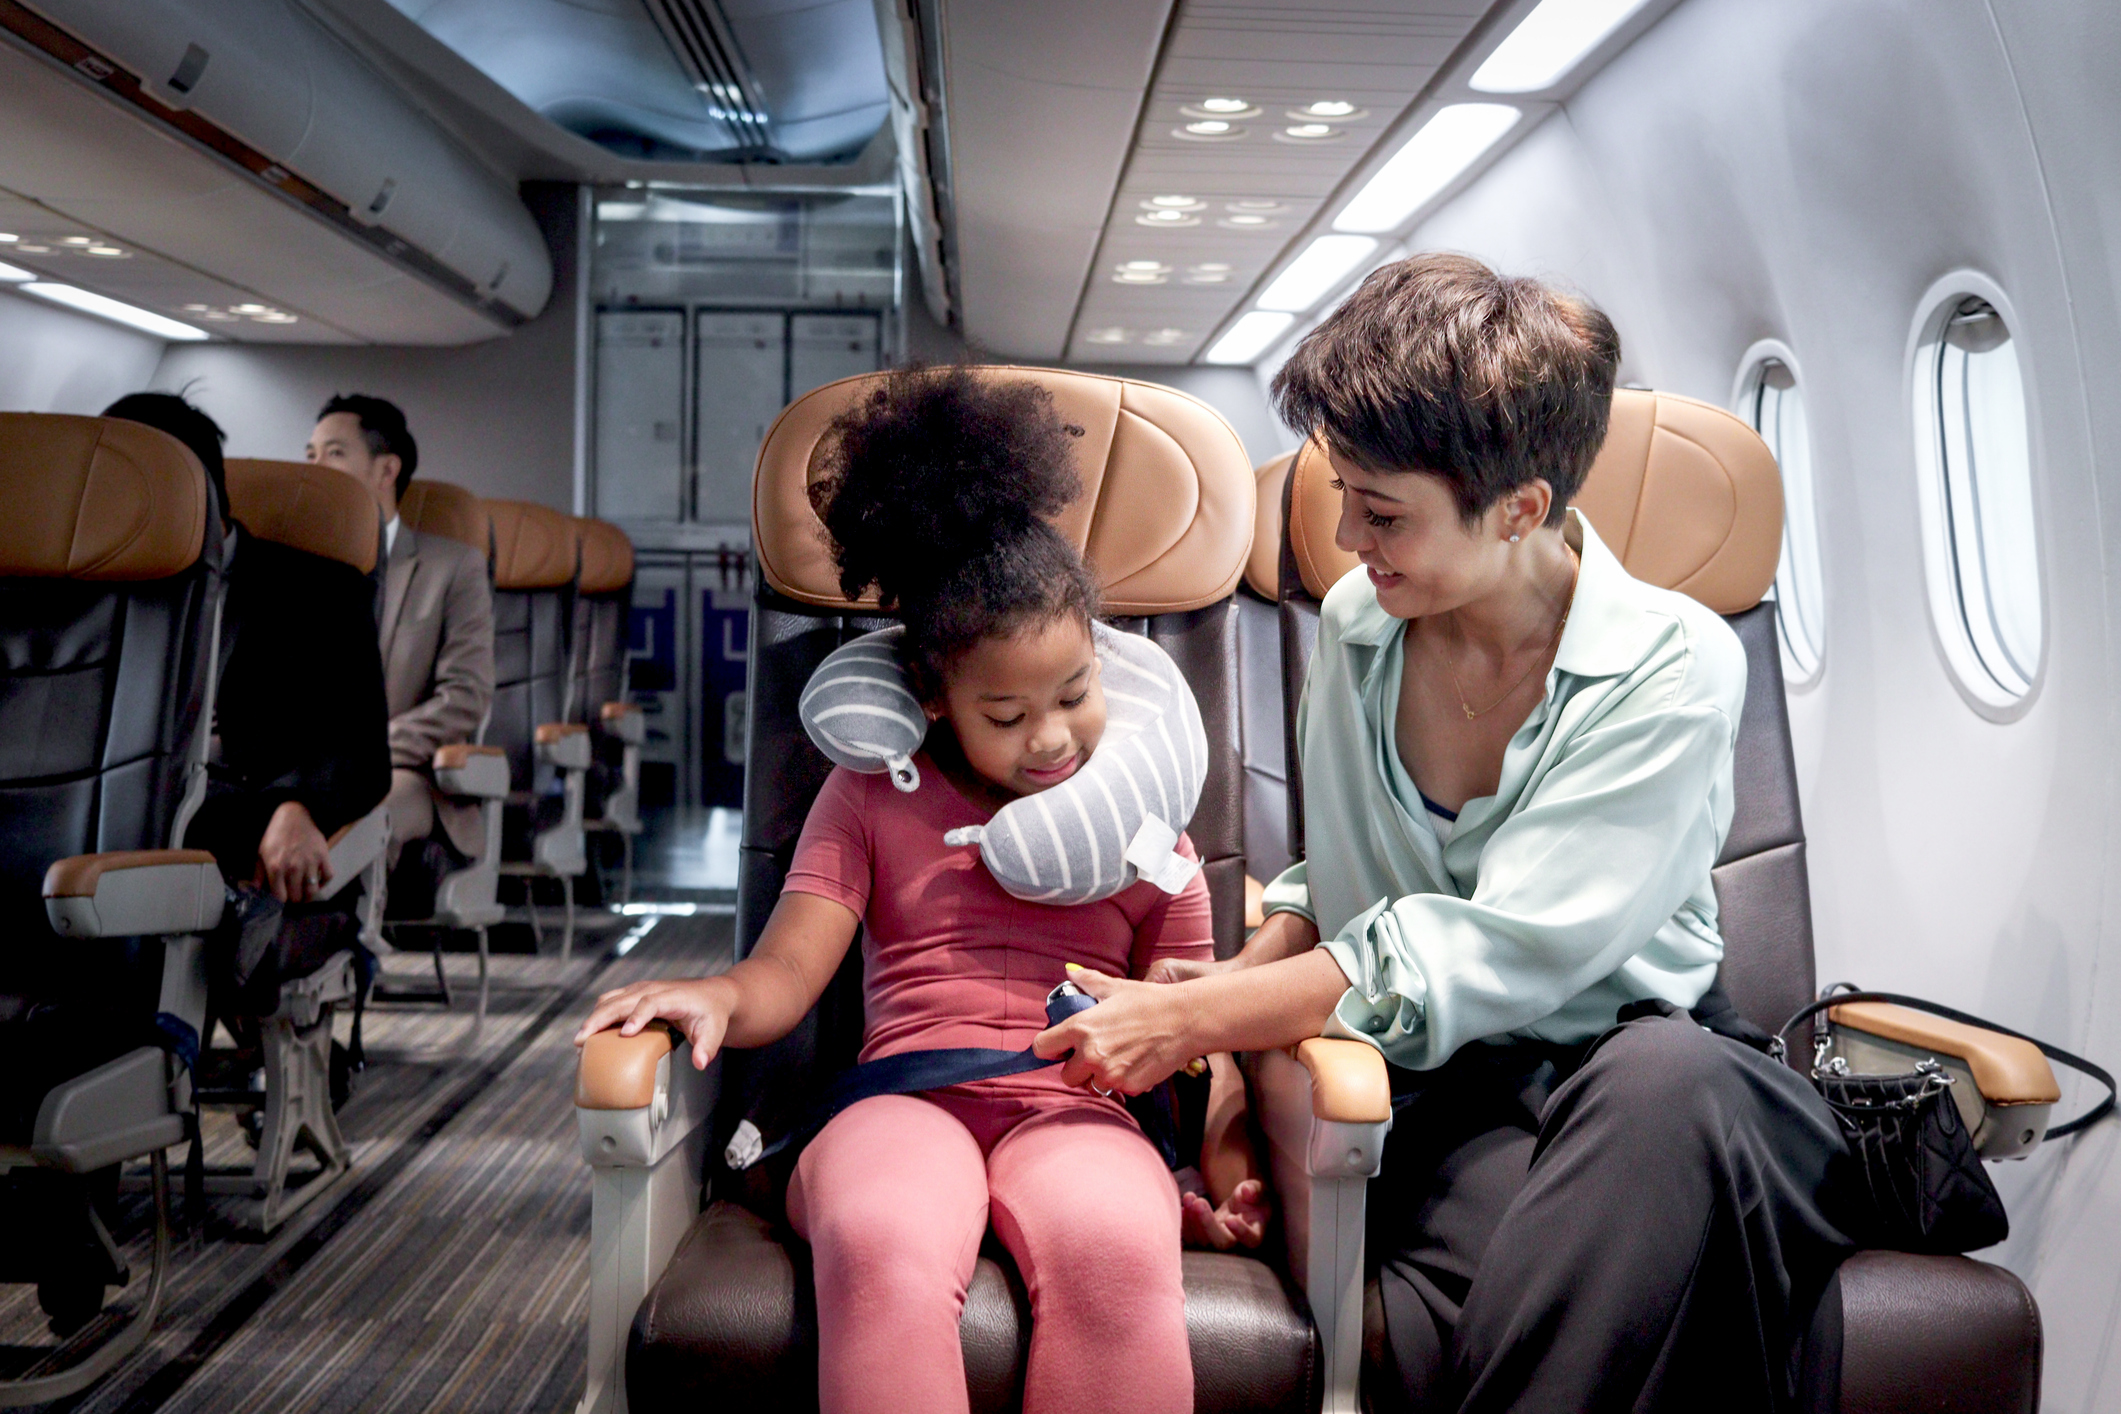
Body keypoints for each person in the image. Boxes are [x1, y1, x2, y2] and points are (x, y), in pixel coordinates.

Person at [1031, 255, 1855, 1411]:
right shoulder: (1366, 625)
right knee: (1528, 1290)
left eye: (1383, 511)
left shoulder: (1675, 667)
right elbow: (1350, 880)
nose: (1345, 535)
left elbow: (1493, 946)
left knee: (1659, 1094)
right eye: (1340, 494)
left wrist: (1192, 1018)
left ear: (1521, 506)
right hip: (1435, 1086)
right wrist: (1234, 992)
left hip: (1631, 1065)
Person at [575, 366, 1268, 1414]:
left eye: (1075, 696)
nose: (1049, 738)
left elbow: (1195, 1035)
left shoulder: (1150, 833)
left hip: (1077, 1108)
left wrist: (1224, 1167)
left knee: (1118, 1255)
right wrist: (717, 995)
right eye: (1005, 712)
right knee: (883, 1243)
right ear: (936, 702)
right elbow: (788, 970)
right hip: (905, 1096)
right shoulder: (869, 795)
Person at [103, 393, 389, 905]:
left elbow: (359, 752)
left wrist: (295, 806)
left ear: (197, 495)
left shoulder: (320, 592)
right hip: (104, 831)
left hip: (244, 849)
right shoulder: (84, 601)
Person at [306, 394, 493, 884]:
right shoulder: (297, 568)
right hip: (307, 768)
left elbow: (465, 697)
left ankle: (354, 949)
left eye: (334, 453)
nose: (315, 468)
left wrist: (366, 753)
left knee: (363, 817)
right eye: (310, 455)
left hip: (406, 772)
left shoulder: (452, 567)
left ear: (386, 470)